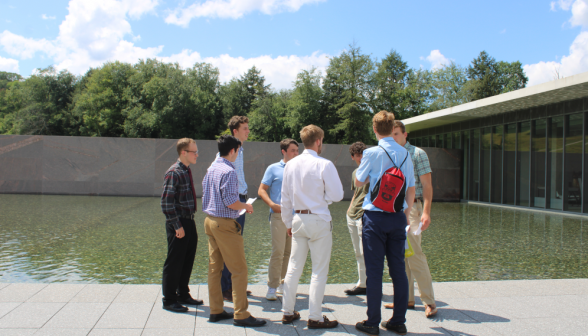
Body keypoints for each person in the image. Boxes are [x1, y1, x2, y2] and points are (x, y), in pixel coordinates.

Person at [354, 111, 416, 336]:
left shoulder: (371, 152)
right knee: (398, 269)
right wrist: (406, 215)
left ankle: (372, 322)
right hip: (397, 217)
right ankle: (398, 321)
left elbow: (359, 180)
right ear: (392, 129)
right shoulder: (405, 154)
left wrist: (372, 174)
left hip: (375, 217)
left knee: (374, 270)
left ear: (374, 129)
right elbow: (410, 188)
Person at [280, 125, 344, 328]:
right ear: (318, 141)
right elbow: (337, 195)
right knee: (318, 271)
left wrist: (287, 223)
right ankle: (315, 317)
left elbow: (285, 198)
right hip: (319, 219)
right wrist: (322, 198)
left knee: (293, 268)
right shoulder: (324, 164)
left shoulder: (290, 164)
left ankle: (287, 312)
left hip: (298, 218)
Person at [202, 135, 266, 327]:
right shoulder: (229, 171)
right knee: (239, 270)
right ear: (232, 151)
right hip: (225, 225)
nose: (238, 154)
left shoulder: (212, 168)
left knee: (215, 268)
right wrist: (246, 206)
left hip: (210, 221)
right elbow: (231, 202)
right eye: (238, 151)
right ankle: (241, 314)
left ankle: (216, 310)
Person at [385, 120, 437, 317]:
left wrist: (426, 211)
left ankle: (429, 301)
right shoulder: (390, 155)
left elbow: (428, 185)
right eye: (391, 134)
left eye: (397, 134)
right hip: (393, 209)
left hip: (413, 207)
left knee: (415, 255)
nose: (394, 137)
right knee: (399, 256)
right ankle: (406, 299)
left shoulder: (417, 153)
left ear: (405, 134)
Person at [160, 138, 203, 312]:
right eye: (194, 152)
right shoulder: (174, 172)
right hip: (178, 222)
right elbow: (166, 203)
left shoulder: (186, 170)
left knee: (187, 259)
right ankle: (169, 300)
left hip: (189, 220)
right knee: (174, 261)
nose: (197, 154)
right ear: (183, 152)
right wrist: (177, 225)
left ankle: (183, 294)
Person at [258, 138, 299, 301]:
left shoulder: (299, 168)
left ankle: (282, 282)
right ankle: (272, 287)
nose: (296, 153)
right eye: (293, 150)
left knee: (289, 253)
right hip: (278, 215)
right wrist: (272, 205)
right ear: (284, 151)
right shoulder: (273, 168)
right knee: (278, 251)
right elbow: (262, 190)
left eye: (297, 150)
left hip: (296, 217)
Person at [218, 116, 252, 301]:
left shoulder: (240, 150)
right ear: (235, 132)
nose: (248, 131)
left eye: (248, 128)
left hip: (240, 201)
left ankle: (234, 286)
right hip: (234, 203)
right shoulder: (227, 153)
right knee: (230, 246)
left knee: (236, 246)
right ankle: (225, 289)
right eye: (245, 128)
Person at [344, 142, 369, 296]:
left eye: (362, 154)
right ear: (353, 157)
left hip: (364, 215)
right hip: (352, 214)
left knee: (366, 252)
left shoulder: (372, 171)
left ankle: (370, 284)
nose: (360, 158)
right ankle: (362, 283)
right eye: (357, 155)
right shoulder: (355, 173)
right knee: (358, 252)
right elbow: (356, 193)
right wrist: (349, 208)